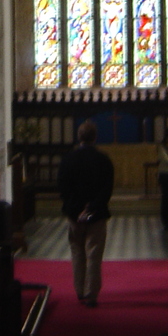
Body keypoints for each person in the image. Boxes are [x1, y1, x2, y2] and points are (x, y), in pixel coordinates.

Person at [57, 119, 114, 306]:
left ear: (78, 137)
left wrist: (77, 210)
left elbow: (63, 189)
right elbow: (107, 189)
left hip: (74, 215)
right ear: (95, 138)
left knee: (77, 252)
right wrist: (91, 208)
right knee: (94, 254)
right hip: (96, 214)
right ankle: (91, 294)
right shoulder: (103, 160)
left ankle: (79, 290)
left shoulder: (68, 160)